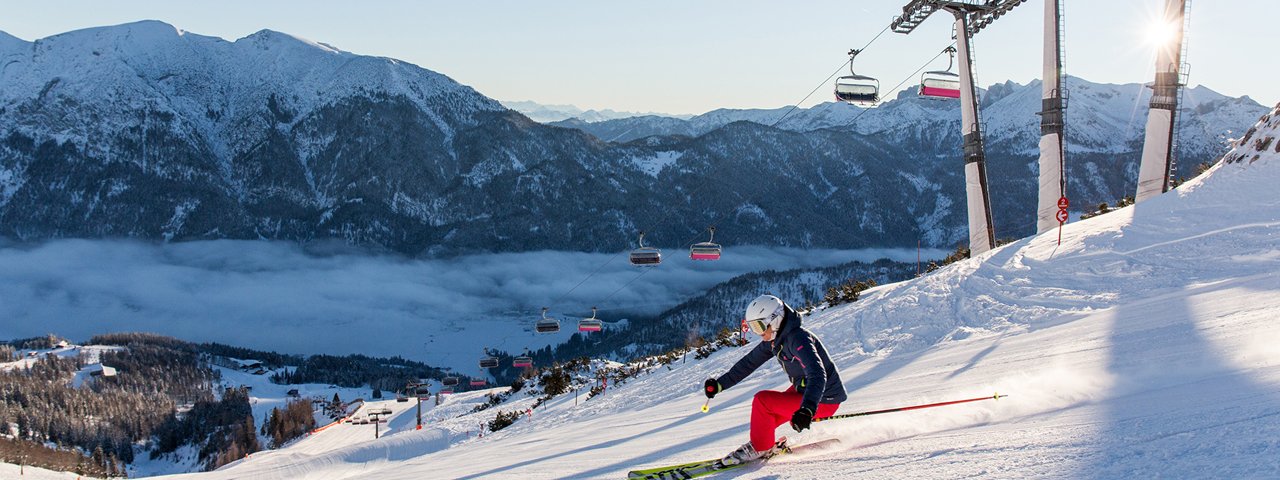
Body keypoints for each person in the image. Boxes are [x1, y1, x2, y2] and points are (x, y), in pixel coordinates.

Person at [703, 294, 847, 465]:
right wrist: (720, 384)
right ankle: (764, 443)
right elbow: (749, 363)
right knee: (766, 419)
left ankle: (760, 447)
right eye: (753, 327)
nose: (758, 333)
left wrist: (807, 409)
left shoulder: (798, 338)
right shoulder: (775, 340)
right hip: (807, 391)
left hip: (823, 399)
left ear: (776, 319)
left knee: (763, 402)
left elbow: (817, 373)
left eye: (760, 326)